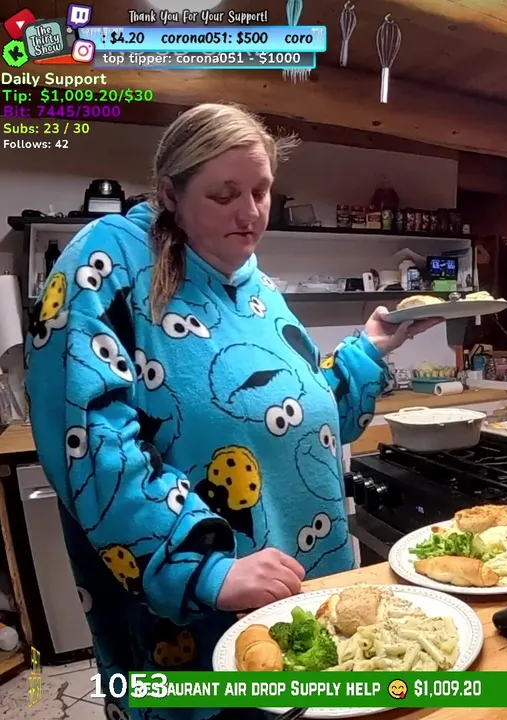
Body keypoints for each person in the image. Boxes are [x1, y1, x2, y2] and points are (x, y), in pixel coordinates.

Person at [24, 103, 437, 720]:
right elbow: (90, 439)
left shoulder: (258, 286)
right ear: (171, 193)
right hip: (197, 621)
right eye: (224, 195)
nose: (250, 213)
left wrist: (369, 348)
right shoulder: (107, 261)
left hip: (307, 597)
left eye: (261, 191)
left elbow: (304, 417)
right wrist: (203, 570)